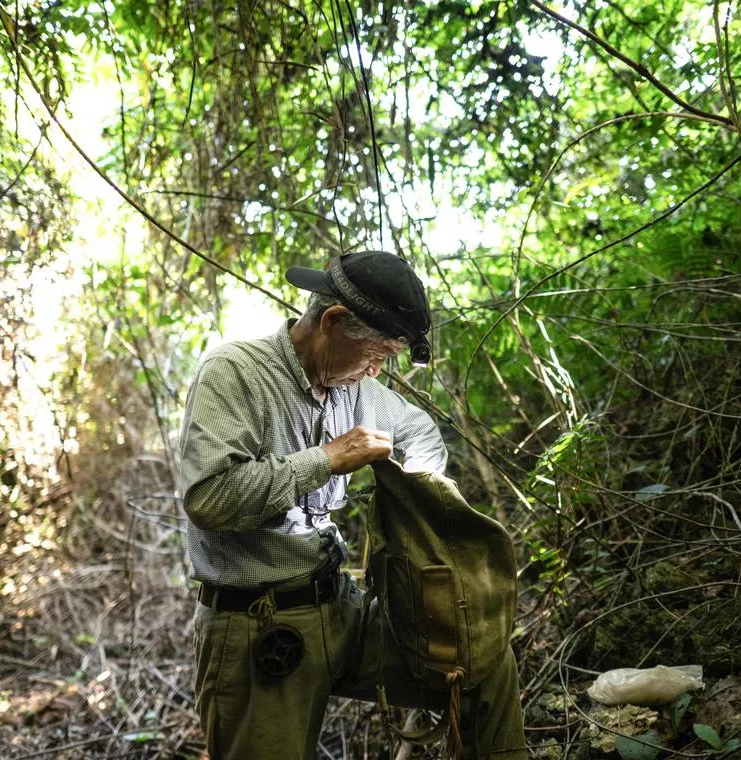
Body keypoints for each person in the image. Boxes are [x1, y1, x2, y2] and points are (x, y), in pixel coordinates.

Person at [179, 250, 527, 759]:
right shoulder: (234, 373)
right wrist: (324, 460)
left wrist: (420, 486)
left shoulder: (355, 387)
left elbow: (418, 429)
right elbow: (208, 498)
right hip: (259, 626)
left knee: (483, 665)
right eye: (377, 353)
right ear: (334, 322)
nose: (377, 370)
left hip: (342, 608)